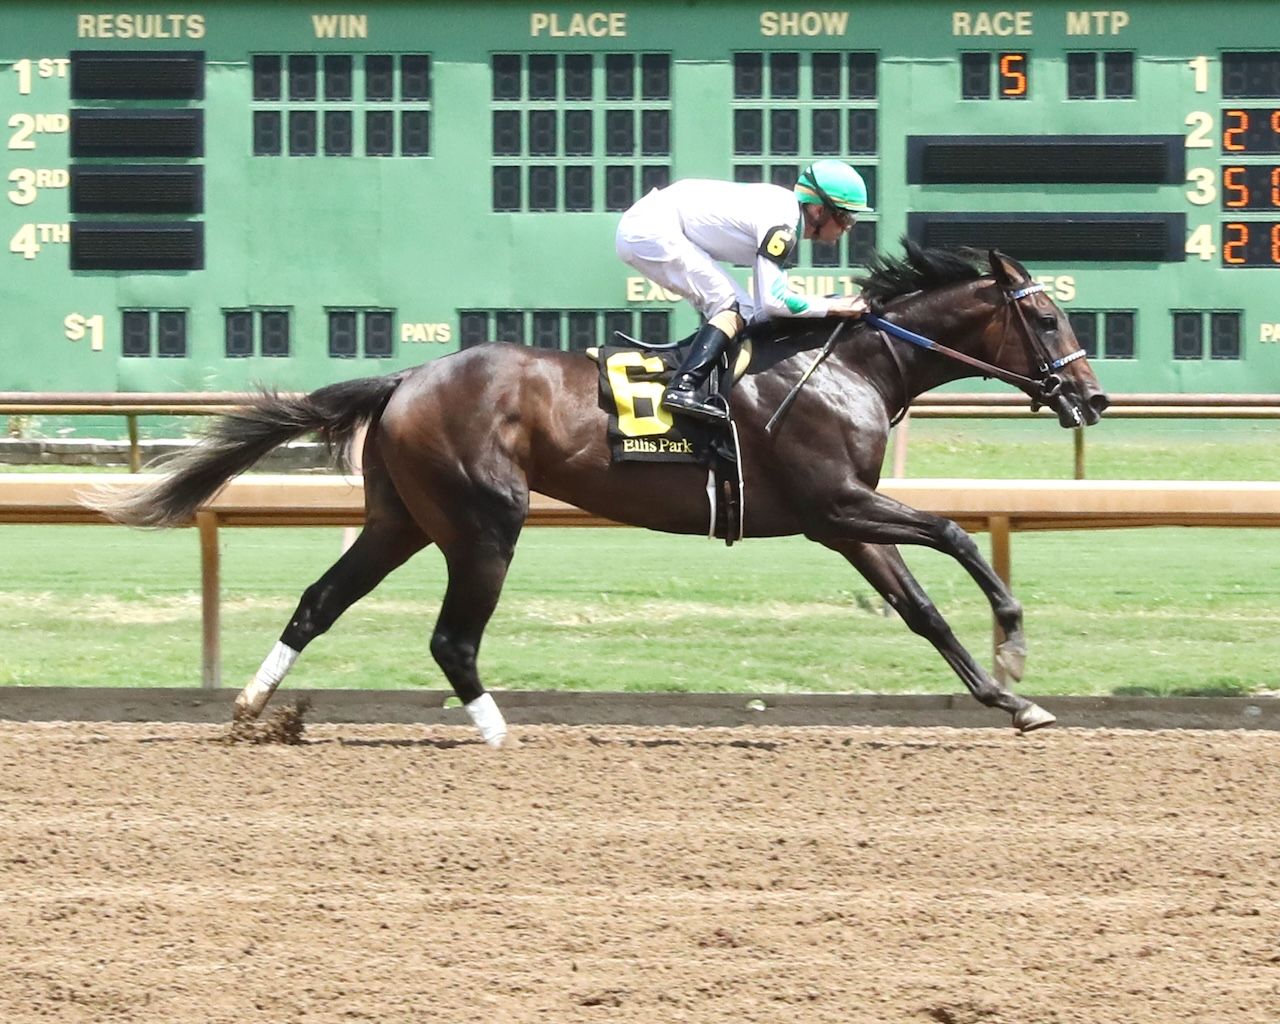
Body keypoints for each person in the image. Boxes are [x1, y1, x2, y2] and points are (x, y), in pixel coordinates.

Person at [615, 160, 872, 422]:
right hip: (652, 230)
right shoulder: (783, 225)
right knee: (732, 306)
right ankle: (682, 387)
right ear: (818, 210)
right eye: (844, 216)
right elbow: (774, 302)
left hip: (655, 225)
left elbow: (762, 310)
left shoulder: (785, 216)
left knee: (744, 310)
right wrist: (833, 306)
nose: (847, 227)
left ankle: (694, 375)